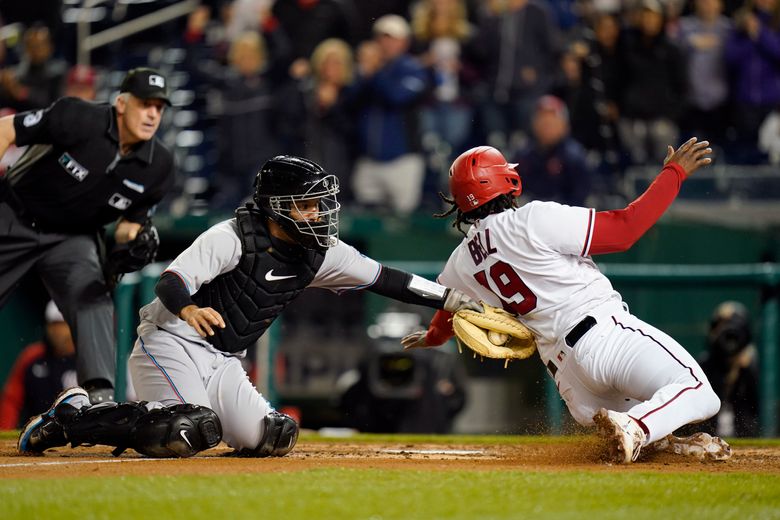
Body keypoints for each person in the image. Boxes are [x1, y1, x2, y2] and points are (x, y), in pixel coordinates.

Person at [19, 155, 481, 458]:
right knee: (188, 429)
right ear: (276, 207)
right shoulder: (230, 236)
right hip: (171, 342)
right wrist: (188, 311)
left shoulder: (322, 252)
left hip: (225, 359)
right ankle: (73, 418)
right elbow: (171, 281)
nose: (319, 215)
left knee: (272, 437)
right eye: (307, 205)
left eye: (320, 205)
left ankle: (118, 421)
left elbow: (387, 279)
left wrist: (453, 300)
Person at [402, 138, 733, 464]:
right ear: (507, 181)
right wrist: (673, 174)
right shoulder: (531, 219)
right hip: (605, 339)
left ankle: (655, 439)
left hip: (571, 382)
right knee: (697, 391)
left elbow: (448, 308)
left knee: (649, 438)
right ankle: (635, 425)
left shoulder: (461, 262)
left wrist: (432, 337)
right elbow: (624, 231)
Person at [0, 67, 176, 404]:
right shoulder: (78, 117)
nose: (153, 113)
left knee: (92, 298)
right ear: (122, 103)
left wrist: (134, 242)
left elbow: (130, 224)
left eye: (159, 106)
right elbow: (5, 128)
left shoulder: (159, 166)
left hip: (72, 237)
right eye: (145, 104)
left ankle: (99, 400)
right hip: (15, 215)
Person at [0, 300, 76, 430]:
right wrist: (4, 428)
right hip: (36, 432)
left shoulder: (88, 357)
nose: (57, 331)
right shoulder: (32, 356)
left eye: (62, 325)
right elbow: (12, 400)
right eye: (53, 325)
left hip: (77, 434)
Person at [699, 301, 759, 437]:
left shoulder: (750, 366)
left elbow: (757, 406)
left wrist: (745, 370)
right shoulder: (707, 365)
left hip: (745, 436)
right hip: (709, 437)